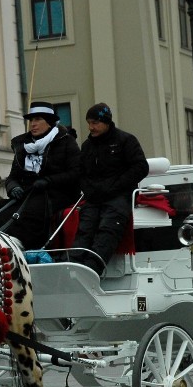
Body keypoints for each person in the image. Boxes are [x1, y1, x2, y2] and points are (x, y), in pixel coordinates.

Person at [0, 101, 81, 250]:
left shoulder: (66, 141)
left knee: (30, 211)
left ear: (49, 122)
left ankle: (26, 249)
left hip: (56, 193)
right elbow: (12, 177)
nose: (32, 124)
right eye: (31, 120)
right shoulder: (22, 145)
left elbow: (75, 173)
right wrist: (13, 187)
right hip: (28, 193)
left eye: (38, 119)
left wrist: (48, 181)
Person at [72, 102, 149, 274]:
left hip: (119, 197)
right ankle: (74, 268)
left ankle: (92, 270)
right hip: (94, 198)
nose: (91, 127)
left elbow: (140, 167)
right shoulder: (87, 146)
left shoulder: (126, 141)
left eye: (95, 123)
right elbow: (80, 173)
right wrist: (89, 189)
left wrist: (115, 186)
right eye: (89, 123)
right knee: (84, 231)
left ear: (106, 122)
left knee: (107, 230)